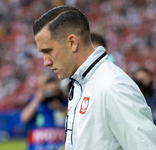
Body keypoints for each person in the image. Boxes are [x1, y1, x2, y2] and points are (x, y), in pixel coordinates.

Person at [32, 5, 156, 150]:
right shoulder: (80, 84)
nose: (45, 62)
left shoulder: (112, 86)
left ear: (72, 43)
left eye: (48, 51)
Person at [20, 73, 67, 150]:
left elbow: (74, 119)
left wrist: (60, 107)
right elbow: (24, 118)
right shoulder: (36, 102)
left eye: (53, 90)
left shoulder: (63, 102)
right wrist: (37, 100)